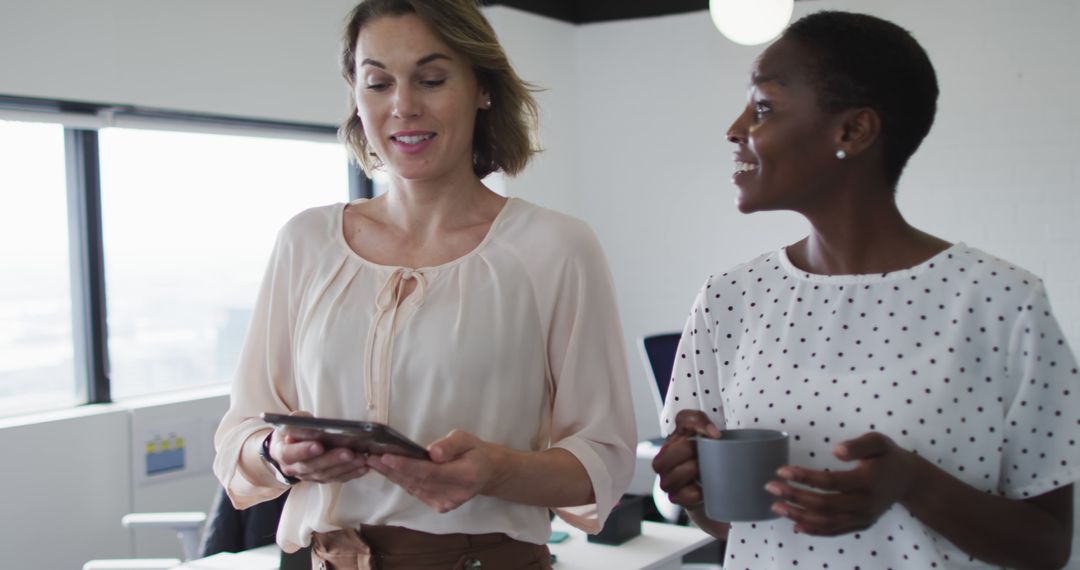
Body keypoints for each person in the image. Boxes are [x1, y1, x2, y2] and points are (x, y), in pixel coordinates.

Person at [212, 0, 636, 567]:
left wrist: (498, 471)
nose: (404, 106)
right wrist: (281, 455)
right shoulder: (305, 242)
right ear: (356, 96)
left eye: (431, 79)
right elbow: (238, 433)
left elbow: (604, 459)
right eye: (378, 83)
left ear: (483, 87)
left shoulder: (555, 248)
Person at [652, 10, 1080, 569]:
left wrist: (915, 485)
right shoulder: (728, 299)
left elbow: (1049, 547)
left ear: (853, 131)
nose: (735, 129)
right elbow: (736, 531)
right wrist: (692, 490)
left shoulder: (1003, 302)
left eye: (763, 107)